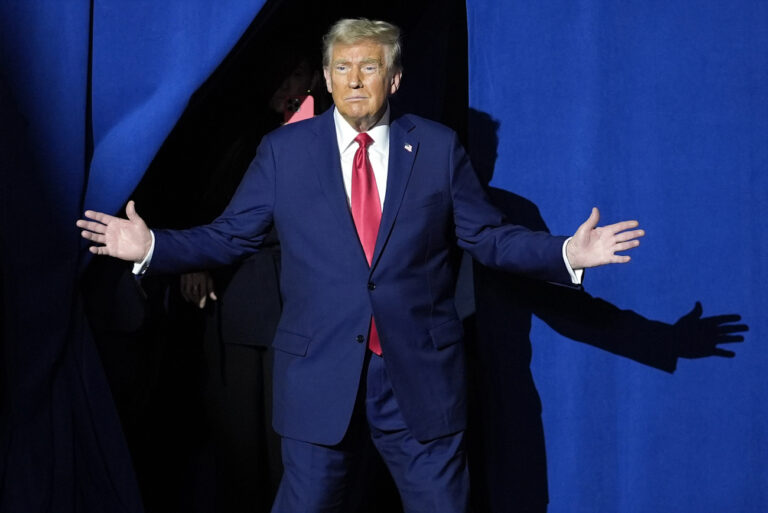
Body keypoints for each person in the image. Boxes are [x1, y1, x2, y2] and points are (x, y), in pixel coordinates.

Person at [77, 18, 645, 513]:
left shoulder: (439, 148)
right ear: (325, 78)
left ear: (393, 79)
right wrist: (153, 247)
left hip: (420, 379)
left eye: (368, 67)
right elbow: (231, 236)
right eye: (341, 67)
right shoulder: (284, 153)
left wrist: (566, 252)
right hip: (321, 375)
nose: (353, 79)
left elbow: (489, 238)